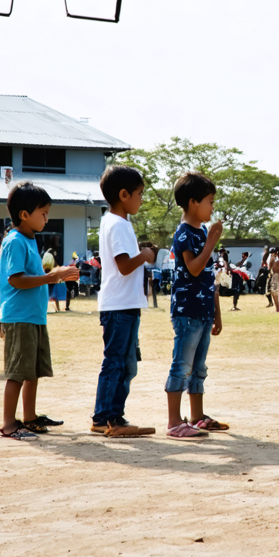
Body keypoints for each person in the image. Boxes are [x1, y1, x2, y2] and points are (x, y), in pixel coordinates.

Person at [0, 182, 78, 439]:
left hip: (33, 316)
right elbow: (16, 279)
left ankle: (30, 418)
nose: (47, 218)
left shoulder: (29, 239)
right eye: (43, 213)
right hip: (19, 316)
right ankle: (9, 423)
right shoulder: (15, 241)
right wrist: (52, 277)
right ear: (24, 214)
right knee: (18, 373)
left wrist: (55, 275)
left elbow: (31, 276)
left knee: (32, 371)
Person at [93, 165, 157, 438]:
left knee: (127, 365)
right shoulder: (117, 225)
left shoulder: (117, 222)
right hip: (119, 307)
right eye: (139, 193)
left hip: (125, 305)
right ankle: (104, 418)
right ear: (123, 195)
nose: (142, 199)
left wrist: (141, 253)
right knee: (116, 363)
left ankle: (114, 416)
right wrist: (145, 255)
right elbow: (124, 266)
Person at [166, 171, 227, 439]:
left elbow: (209, 277)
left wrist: (217, 313)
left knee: (199, 368)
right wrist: (212, 241)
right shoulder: (184, 234)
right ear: (193, 202)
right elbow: (193, 268)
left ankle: (197, 417)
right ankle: (173, 422)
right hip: (187, 311)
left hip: (202, 311)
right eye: (209, 201)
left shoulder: (201, 232)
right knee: (182, 365)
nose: (212, 207)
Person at [268, 245, 279, 313]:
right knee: (276, 292)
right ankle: (278, 308)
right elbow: (270, 266)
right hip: (276, 275)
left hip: (278, 275)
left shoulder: (278, 258)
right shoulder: (274, 258)